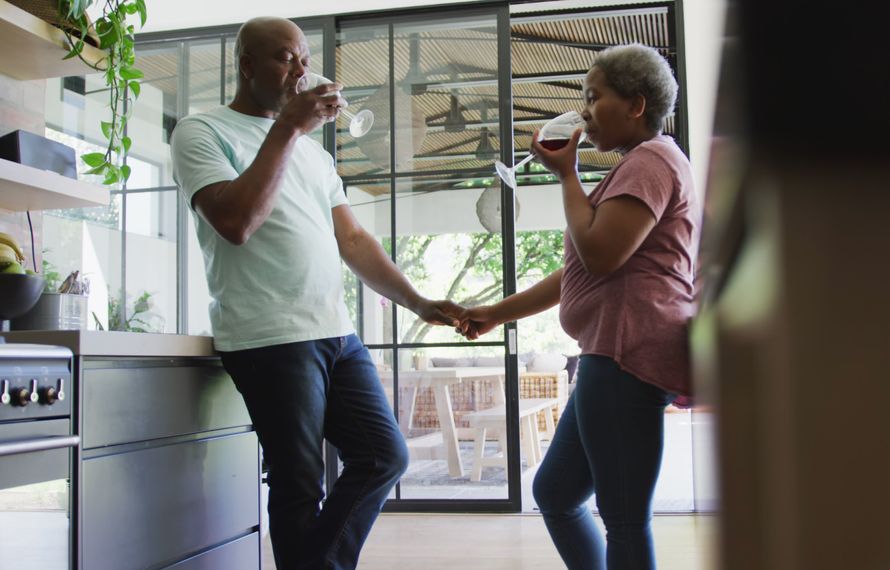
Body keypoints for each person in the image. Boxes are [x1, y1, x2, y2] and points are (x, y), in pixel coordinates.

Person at [169, 17, 462, 570]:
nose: (300, 71)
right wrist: (287, 130)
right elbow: (235, 221)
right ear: (247, 65)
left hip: (334, 331)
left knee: (384, 456)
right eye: (285, 58)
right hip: (267, 334)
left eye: (303, 58)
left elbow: (352, 238)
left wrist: (419, 303)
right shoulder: (201, 131)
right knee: (300, 483)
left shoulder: (315, 154)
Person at [457, 43, 700, 570]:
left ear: (635, 105)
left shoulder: (651, 160)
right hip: (611, 355)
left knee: (624, 519)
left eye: (594, 97)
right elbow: (578, 270)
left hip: (624, 356)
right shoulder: (642, 164)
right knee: (556, 492)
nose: (584, 110)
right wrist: (497, 313)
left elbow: (600, 255)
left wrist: (566, 174)